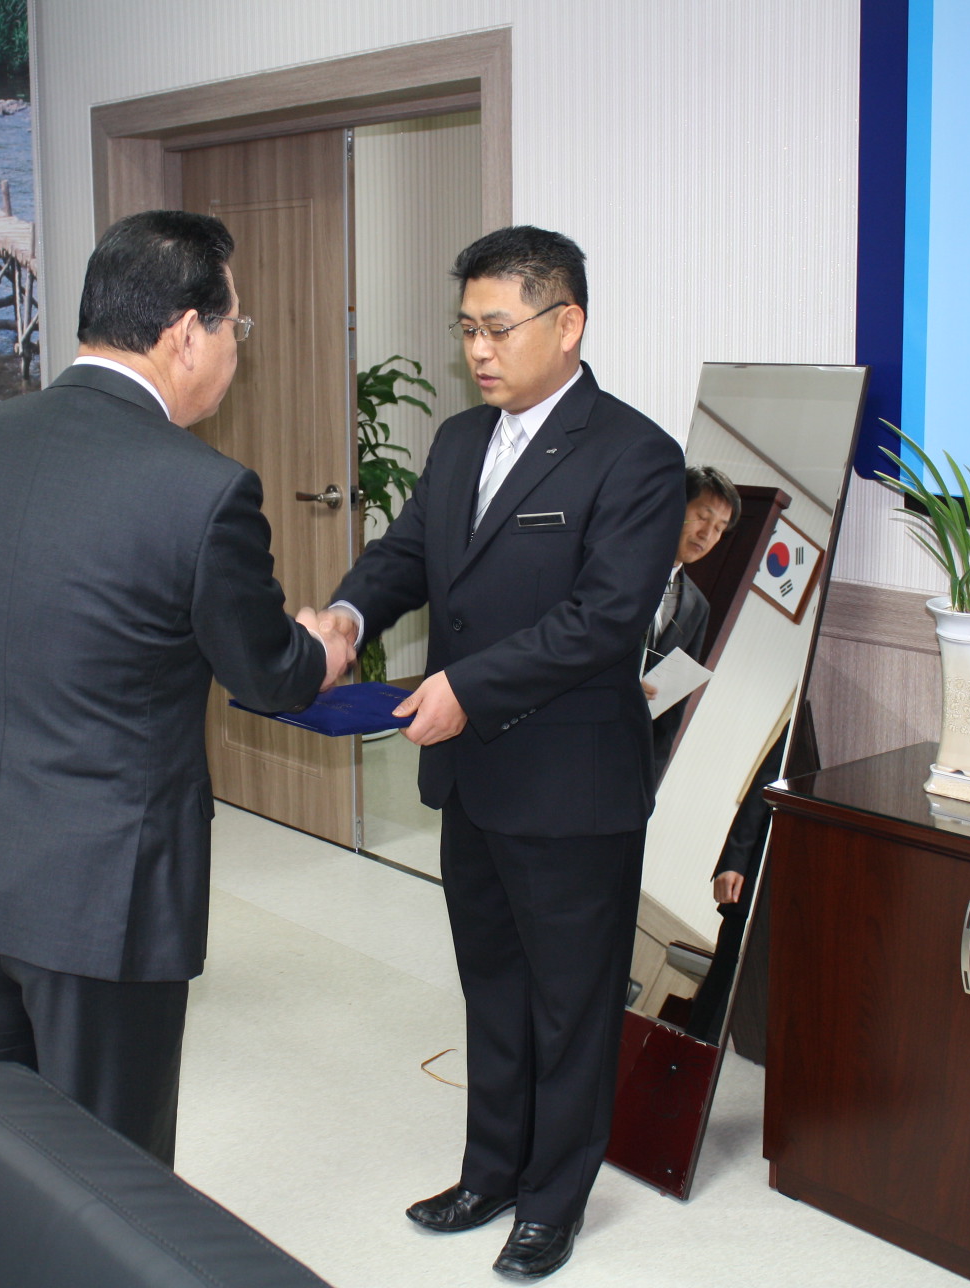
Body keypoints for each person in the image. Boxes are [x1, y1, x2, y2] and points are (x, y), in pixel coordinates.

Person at [0, 210, 349, 1165]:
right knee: (108, 1171)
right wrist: (323, 648)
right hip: (101, 895)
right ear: (185, 334)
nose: (237, 350)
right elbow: (266, 674)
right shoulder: (203, 489)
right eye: (236, 327)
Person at [320, 227, 683, 1280]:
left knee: (572, 1003)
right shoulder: (459, 441)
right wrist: (348, 615)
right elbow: (406, 555)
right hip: (474, 780)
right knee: (492, 987)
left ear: (567, 324)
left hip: (571, 784)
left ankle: (552, 1203)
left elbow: (602, 620)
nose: (477, 350)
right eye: (466, 329)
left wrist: (466, 690)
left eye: (496, 328)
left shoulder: (635, 455)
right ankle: (489, 1172)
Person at [645, 463, 739, 785]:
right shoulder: (617, 561)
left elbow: (670, 712)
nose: (707, 534)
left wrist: (646, 793)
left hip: (613, 763)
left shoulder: (696, 606)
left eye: (719, 528)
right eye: (702, 516)